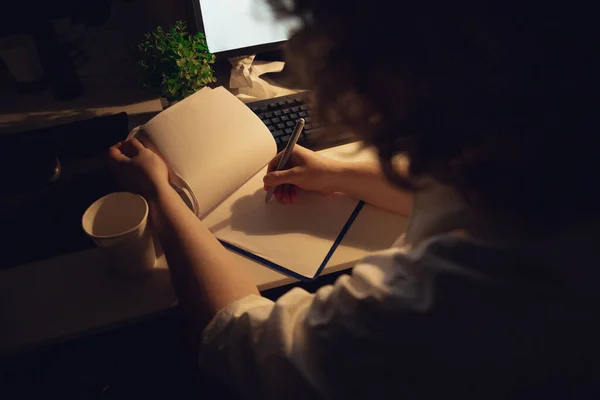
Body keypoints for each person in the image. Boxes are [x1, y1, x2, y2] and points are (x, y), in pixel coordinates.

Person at [109, 1, 599, 399]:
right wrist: (337, 173)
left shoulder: (448, 302)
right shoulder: (545, 137)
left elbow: (237, 340)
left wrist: (162, 192)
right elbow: (462, 185)